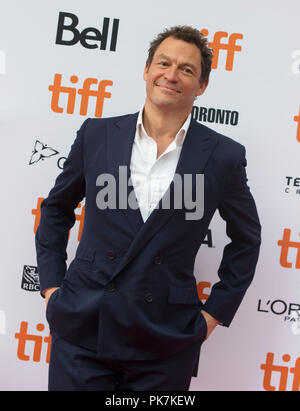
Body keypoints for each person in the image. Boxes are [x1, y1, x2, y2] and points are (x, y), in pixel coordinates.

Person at [36, 25, 261, 391]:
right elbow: (56, 210)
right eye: (163, 63)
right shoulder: (97, 134)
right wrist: (51, 289)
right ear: (146, 70)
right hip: (82, 328)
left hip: (166, 338)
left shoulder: (223, 155)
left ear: (201, 85)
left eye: (186, 69)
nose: (171, 75)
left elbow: (247, 239)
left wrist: (213, 314)